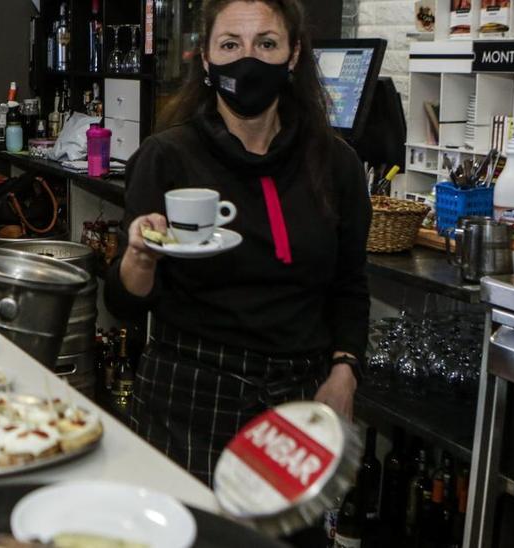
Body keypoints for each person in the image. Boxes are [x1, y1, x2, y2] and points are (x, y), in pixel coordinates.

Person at [104, 0, 370, 484]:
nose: (248, 60)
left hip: (298, 398)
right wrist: (138, 258)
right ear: (205, 58)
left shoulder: (337, 165)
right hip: (187, 394)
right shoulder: (165, 157)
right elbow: (123, 303)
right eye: (230, 44)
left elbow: (350, 285)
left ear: (293, 56)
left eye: (266, 44)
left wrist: (345, 371)